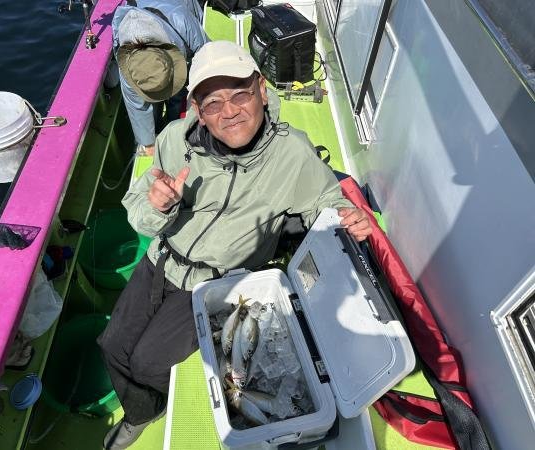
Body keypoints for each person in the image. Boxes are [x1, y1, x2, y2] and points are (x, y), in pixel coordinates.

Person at [98, 41, 372, 449]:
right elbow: (138, 212)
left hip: (213, 283)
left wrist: (348, 218)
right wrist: (157, 207)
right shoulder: (174, 139)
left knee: (149, 363)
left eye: (240, 95)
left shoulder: (292, 153)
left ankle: (147, 409)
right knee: (111, 346)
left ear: (261, 90)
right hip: (161, 260)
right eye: (212, 102)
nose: (229, 111)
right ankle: (141, 410)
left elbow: (326, 204)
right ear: (197, 109)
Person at [112, 0, 208, 156]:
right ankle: (158, 126)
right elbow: (136, 105)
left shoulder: (183, 22)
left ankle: (174, 120)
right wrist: (148, 143)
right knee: (152, 96)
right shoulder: (129, 65)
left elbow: (207, 57)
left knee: (179, 95)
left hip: (179, 10)